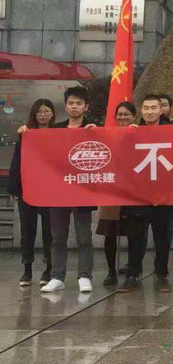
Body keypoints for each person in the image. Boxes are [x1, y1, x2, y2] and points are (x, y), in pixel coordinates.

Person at [39, 86, 97, 293]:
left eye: (79, 103)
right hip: (58, 191)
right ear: (65, 106)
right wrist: (24, 134)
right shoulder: (55, 130)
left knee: (84, 237)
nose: (74, 107)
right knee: (58, 238)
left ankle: (85, 276)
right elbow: (41, 152)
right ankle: (57, 276)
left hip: (83, 191)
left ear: (86, 107)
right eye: (71, 103)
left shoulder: (93, 129)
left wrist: (98, 134)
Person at [118, 96, 173, 293]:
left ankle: (162, 275)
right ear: (141, 111)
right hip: (137, 194)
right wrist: (126, 135)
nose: (150, 111)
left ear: (161, 111)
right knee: (135, 237)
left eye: (154, 108)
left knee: (162, 237)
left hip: (163, 194)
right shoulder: (133, 132)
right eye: (146, 108)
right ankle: (133, 274)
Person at [9, 99, 55, 287]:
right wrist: (14, 188)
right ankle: (27, 269)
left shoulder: (59, 133)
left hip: (50, 189)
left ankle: (49, 268)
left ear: (52, 113)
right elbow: (16, 162)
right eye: (39, 111)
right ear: (34, 114)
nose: (43, 115)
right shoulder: (25, 134)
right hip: (28, 188)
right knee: (27, 230)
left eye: (46, 111)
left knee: (49, 231)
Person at [95, 101, 136, 287]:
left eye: (127, 114)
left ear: (134, 117)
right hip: (110, 190)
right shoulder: (107, 135)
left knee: (134, 234)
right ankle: (111, 272)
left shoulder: (140, 134)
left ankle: (133, 270)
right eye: (120, 114)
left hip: (133, 191)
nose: (123, 117)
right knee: (109, 233)